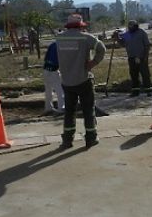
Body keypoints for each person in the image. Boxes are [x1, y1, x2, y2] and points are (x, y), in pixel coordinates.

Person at [56, 13, 106, 149]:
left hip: (66, 81)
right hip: (83, 80)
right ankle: (91, 138)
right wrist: (93, 62)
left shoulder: (59, 38)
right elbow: (102, 48)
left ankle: (67, 140)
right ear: (80, 25)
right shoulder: (85, 38)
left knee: (69, 111)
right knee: (88, 110)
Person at [120, 20, 152, 97]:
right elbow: (122, 44)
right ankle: (135, 91)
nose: (130, 28)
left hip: (141, 57)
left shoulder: (142, 33)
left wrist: (145, 56)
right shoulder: (128, 34)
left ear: (136, 26)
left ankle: (149, 90)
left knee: (145, 74)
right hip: (131, 58)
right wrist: (117, 38)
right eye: (129, 26)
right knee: (134, 75)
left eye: (132, 26)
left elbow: (147, 45)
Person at [43, 41, 64, 115]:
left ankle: (48, 107)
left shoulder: (52, 44)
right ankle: (61, 108)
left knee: (48, 90)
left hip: (46, 69)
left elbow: (46, 58)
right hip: (53, 70)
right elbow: (61, 61)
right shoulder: (62, 46)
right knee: (60, 90)